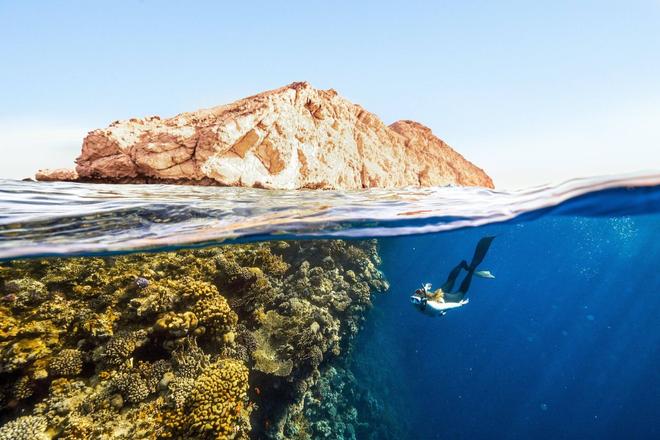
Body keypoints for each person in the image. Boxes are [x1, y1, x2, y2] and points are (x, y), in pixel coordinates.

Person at [410, 236, 495, 317]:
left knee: (462, 292)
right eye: (413, 299)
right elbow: (427, 300)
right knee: (450, 281)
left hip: (443, 300)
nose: (414, 301)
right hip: (438, 295)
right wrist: (425, 289)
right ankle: (462, 265)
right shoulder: (420, 305)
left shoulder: (434, 307)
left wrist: (459, 304)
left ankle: (471, 269)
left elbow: (448, 306)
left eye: (414, 299)